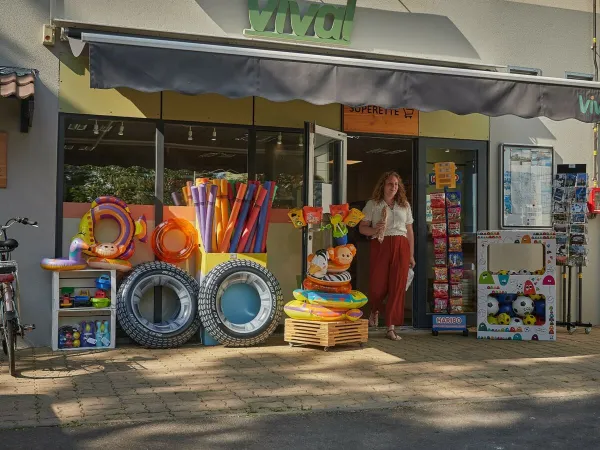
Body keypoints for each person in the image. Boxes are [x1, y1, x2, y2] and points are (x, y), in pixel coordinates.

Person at [359, 171, 415, 341]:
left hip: (401, 245)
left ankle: (390, 327)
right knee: (377, 286)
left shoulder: (404, 205)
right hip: (381, 244)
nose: (393, 187)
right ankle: (375, 308)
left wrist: (411, 255)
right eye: (390, 184)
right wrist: (375, 229)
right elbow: (362, 228)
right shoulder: (373, 204)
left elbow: (410, 231)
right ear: (383, 185)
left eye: (396, 184)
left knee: (397, 287)